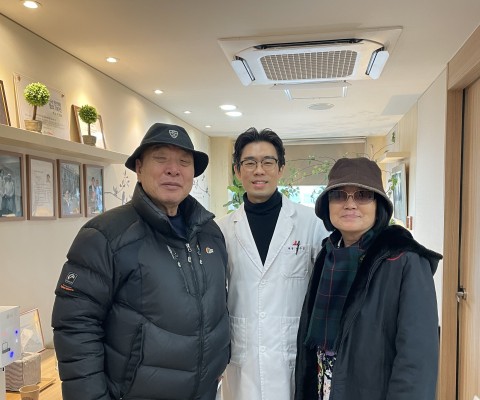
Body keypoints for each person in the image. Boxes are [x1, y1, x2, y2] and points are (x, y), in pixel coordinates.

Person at [52, 122, 230, 400]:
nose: (173, 169)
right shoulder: (104, 235)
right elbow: (76, 328)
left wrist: (220, 358)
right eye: (161, 158)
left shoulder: (210, 232)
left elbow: (218, 305)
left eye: (184, 162)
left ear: (193, 173)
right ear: (139, 167)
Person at [295, 157, 441, 400]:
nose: (350, 204)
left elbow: (417, 360)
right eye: (339, 195)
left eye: (363, 195)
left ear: (378, 205)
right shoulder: (327, 256)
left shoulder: (405, 261)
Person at [218, 127, 328, 400]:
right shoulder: (221, 229)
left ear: (281, 169)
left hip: (292, 355)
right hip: (242, 358)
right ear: (237, 170)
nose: (259, 170)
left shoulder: (311, 224)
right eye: (250, 163)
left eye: (268, 162)